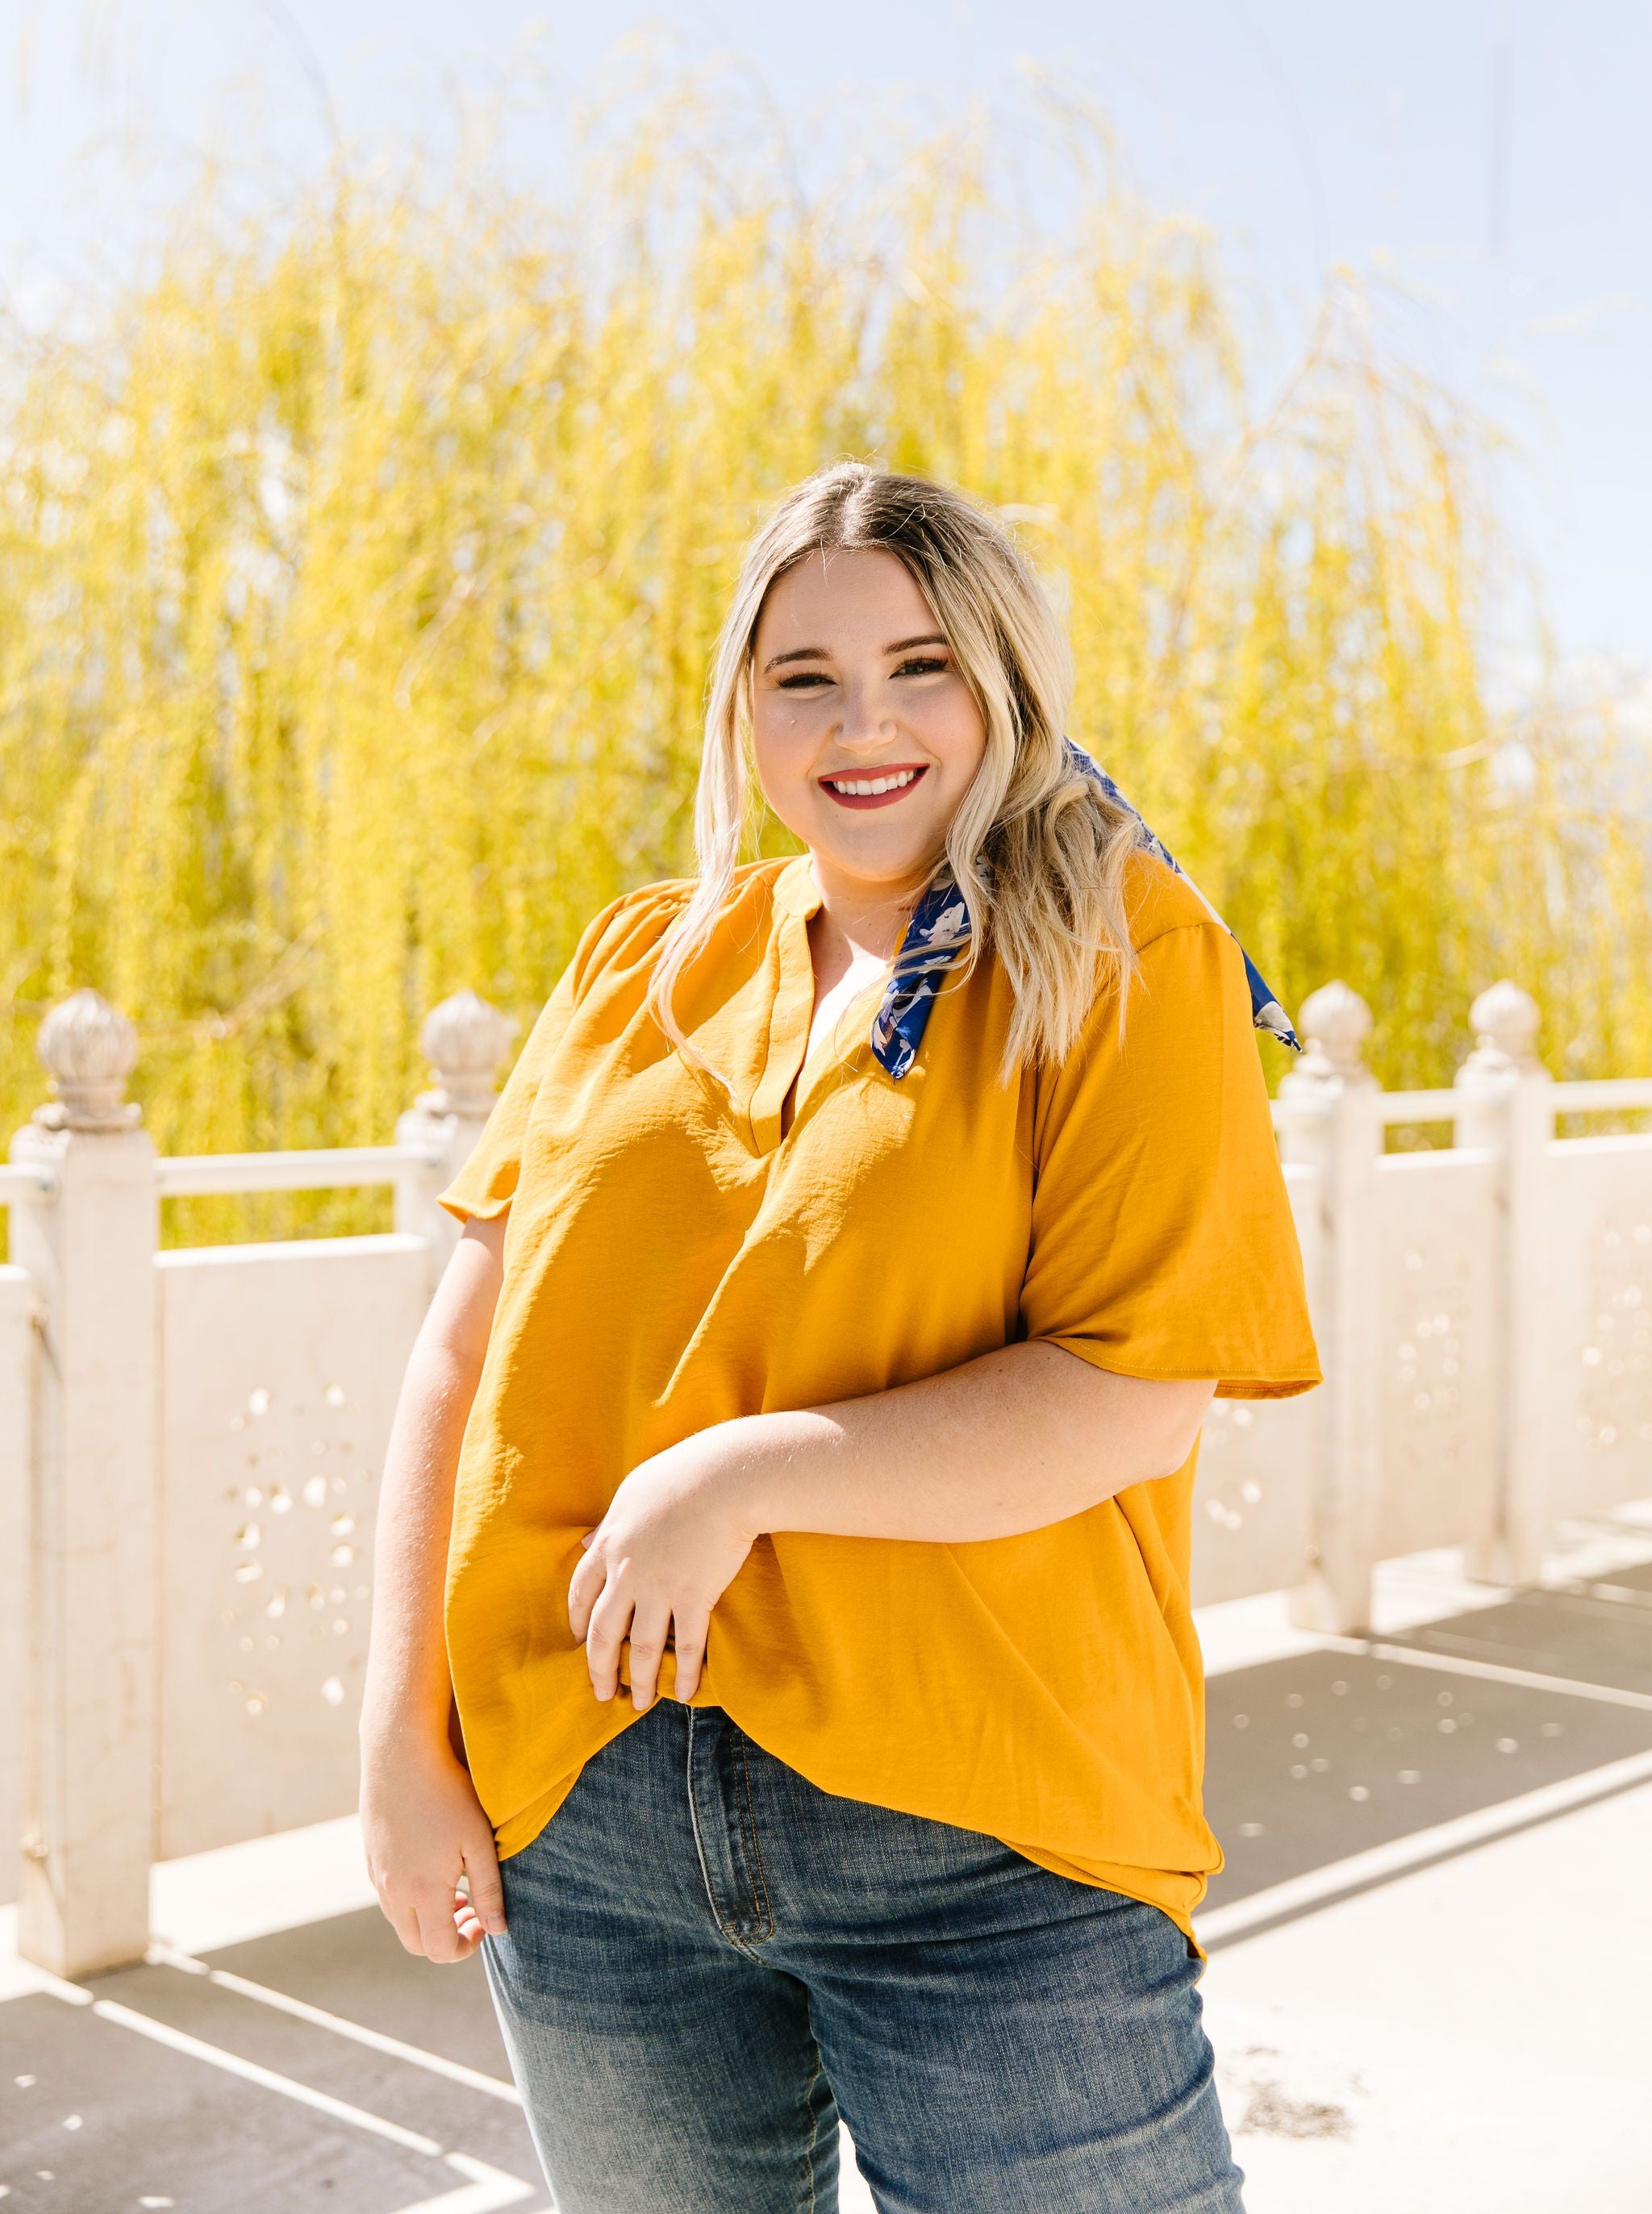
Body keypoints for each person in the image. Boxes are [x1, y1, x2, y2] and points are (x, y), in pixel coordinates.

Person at [360, 463, 1322, 2213]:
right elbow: (460, 1360)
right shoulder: (639, 962)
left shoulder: (1119, 954)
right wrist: (398, 1752)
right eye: (804, 675)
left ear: (1007, 686)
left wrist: (739, 1477)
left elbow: (1136, 1393)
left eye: (922, 666)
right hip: (589, 1823)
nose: (862, 724)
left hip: (983, 1834)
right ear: (744, 703)